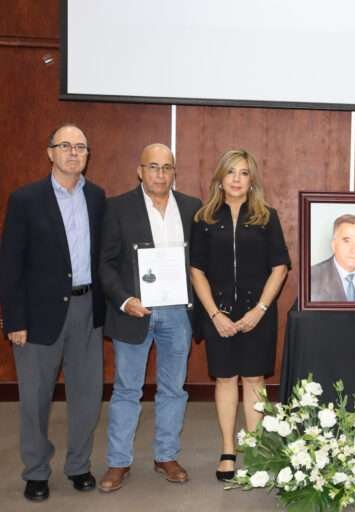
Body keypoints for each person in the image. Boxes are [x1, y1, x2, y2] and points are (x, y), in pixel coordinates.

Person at [0, 124, 105, 501]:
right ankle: (36, 471)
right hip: (39, 315)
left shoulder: (96, 196)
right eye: (65, 146)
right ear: (50, 153)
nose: (74, 152)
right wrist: (14, 320)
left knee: (87, 396)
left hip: (88, 309)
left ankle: (79, 465)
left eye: (81, 146)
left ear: (87, 155)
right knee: (34, 399)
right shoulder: (26, 199)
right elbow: (10, 264)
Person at [98, 143, 202, 492]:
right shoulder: (117, 208)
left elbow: (201, 264)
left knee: (174, 388)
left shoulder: (191, 208)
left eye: (167, 167)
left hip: (178, 313)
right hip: (134, 310)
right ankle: (118, 463)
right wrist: (124, 299)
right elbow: (106, 263)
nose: (160, 174)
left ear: (175, 172)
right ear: (140, 171)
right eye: (153, 167)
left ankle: (166, 456)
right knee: (127, 389)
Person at [189, 149, 289, 481]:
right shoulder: (203, 218)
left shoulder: (266, 216)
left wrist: (260, 309)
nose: (236, 179)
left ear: (252, 179)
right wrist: (214, 314)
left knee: (255, 379)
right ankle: (228, 450)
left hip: (257, 314)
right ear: (220, 178)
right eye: (230, 172)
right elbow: (196, 271)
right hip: (218, 314)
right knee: (226, 378)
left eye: (243, 173)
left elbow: (279, 267)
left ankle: (257, 448)